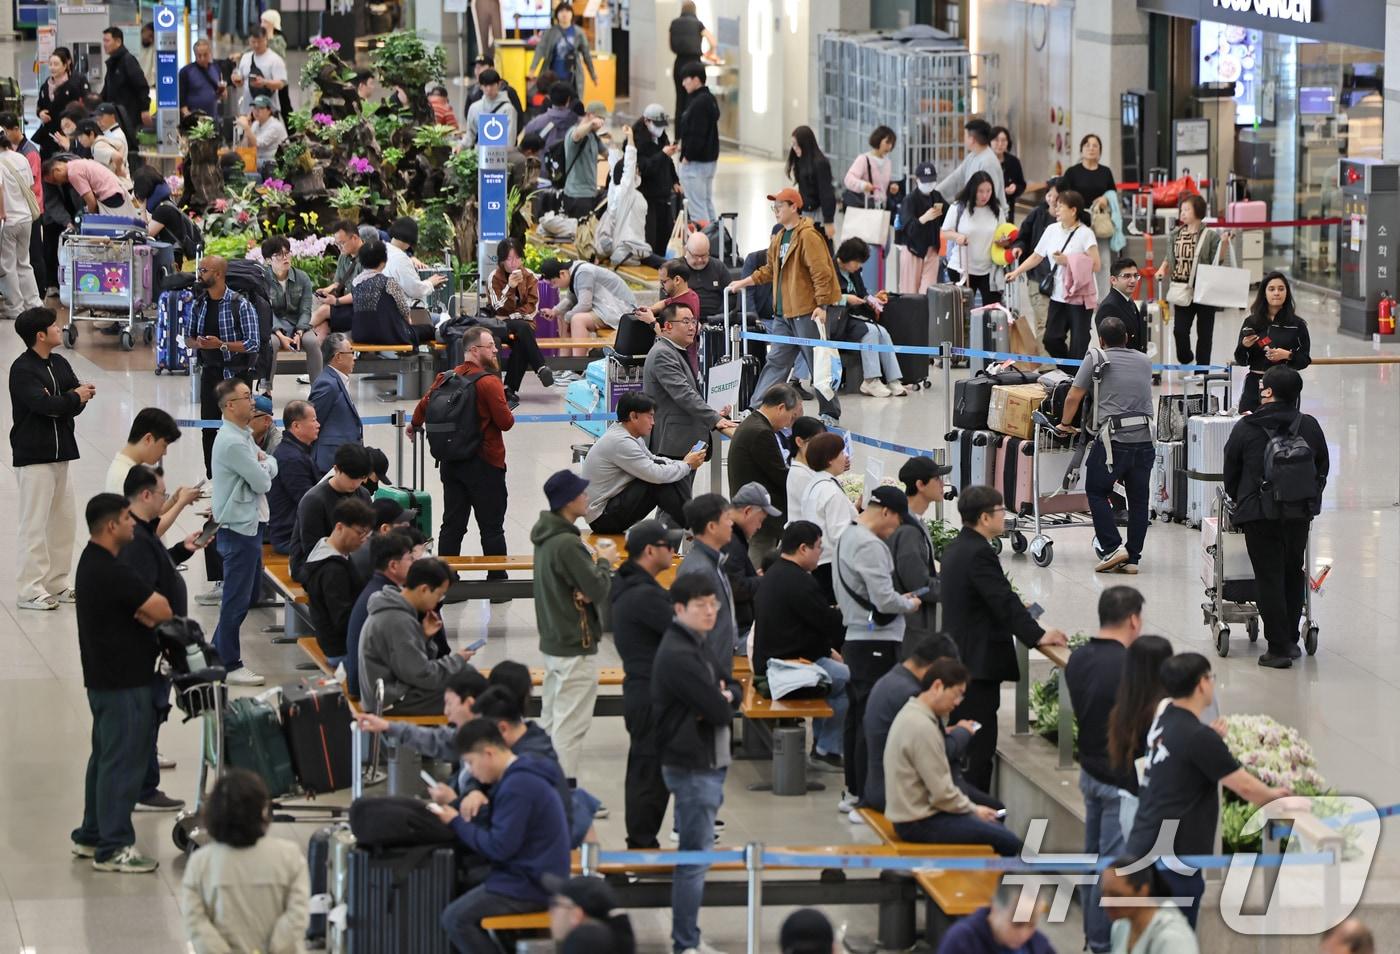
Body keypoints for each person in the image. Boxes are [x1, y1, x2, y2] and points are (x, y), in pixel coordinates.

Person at [1124, 653, 1291, 927]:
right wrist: (1274, 798)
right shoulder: (1198, 737)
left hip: (1143, 847)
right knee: (1174, 938)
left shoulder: (1164, 721)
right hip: (1174, 862)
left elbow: (1186, 752)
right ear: (1202, 684)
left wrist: (1211, 738)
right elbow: (1244, 786)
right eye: (1211, 678)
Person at [940, 485, 1068, 791]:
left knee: (965, 740)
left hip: (961, 655)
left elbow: (984, 597)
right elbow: (1003, 602)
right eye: (1000, 511)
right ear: (985, 517)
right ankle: (974, 813)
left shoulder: (957, 547)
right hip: (978, 664)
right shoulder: (980, 552)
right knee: (977, 746)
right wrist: (1038, 635)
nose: (1004, 517)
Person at [71, 492, 173, 873]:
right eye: (128, 519)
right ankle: (113, 846)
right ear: (111, 525)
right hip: (124, 681)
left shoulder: (91, 561)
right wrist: (149, 612)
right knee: (123, 763)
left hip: (103, 677)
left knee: (104, 758)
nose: (134, 523)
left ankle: (91, 833)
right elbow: (160, 608)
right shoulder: (113, 571)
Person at [652, 573, 741, 954]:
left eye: (713, 604)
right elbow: (719, 709)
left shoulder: (697, 643)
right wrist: (721, 700)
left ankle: (688, 937)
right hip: (692, 765)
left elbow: (732, 687)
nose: (709, 611)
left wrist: (723, 698)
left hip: (708, 759)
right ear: (678, 609)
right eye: (701, 605)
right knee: (694, 859)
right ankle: (684, 942)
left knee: (698, 854)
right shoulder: (678, 653)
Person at [433, 719, 571, 953]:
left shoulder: (518, 785)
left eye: (471, 763)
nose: (472, 772)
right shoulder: (521, 773)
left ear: (488, 753)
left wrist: (456, 821)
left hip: (532, 883)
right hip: (535, 871)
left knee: (454, 918)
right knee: (458, 883)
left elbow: (498, 847)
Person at [1223, 365, 1329, 668]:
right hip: (1298, 512)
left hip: (1259, 513)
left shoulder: (1246, 427)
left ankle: (1278, 648)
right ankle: (1291, 640)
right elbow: (1322, 467)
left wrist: (1241, 499)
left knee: (1268, 577)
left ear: (1267, 391)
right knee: (1293, 571)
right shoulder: (1308, 425)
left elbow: (1231, 471)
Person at [1065, 586, 1145, 953]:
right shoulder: (1130, 667)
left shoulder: (1078, 658)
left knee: (1091, 860)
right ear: (1132, 619)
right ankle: (1102, 945)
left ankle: (1091, 938)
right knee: (1112, 869)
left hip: (1090, 773)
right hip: (1120, 781)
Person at [833, 485, 922, 800]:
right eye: (897, 521)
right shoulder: (870, 545)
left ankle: (854, 791)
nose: (896, 529)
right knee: (873, 720)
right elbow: (884, 600)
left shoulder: (846, 535)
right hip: (875, 643)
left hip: (856, 638)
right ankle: (868, 796)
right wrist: (908, 603)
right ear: (886, 512)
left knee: (856, 718)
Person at [121, 463, 201, 810]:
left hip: (158, 644)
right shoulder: (136, 538)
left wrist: (183, 549)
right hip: (149, 646)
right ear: (145, 495)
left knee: (153, 713)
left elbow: (158, 569)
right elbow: (139, 595)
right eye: (163, 495)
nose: (166, 501)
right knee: (146, 716)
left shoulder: (144, 533)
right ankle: (143, 788)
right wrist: (167, 630)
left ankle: (145, 782)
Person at [884, 658, 1020, 855]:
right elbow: (942, 793)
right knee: (1008, 840)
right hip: (919, 820)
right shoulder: (922, 727)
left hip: (914, 813)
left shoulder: (913, 713)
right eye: (956, 695)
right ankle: (985, 885)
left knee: (995, 821)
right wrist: (974, 810)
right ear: (938, 686)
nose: (957, 703)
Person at [727, 187, 844, 418]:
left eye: (780, 206)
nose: (776, 211)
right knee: (776, 361)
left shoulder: (808, 236)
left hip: (807, 312)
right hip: (783, 314)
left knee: (818, 364)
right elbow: (770, 270)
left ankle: (830, 412)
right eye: (774, 206)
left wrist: (821, 306)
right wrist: (744, 282)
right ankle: (757, 409)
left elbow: (821, 273)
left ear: (794, 207)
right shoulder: (780, 236)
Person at [533, 470, 617, 781]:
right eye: (582, 493)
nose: (587, 497)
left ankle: (542, 784)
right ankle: (563, 794)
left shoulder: (546, 537)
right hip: (573, 642)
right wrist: (604, 562)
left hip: (555, 640)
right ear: (568, 501)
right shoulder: (567, 544)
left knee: (553, 719)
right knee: (571, 726)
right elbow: (596, 590)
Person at [410, 326, 515, 569]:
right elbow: (505, 423)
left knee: (453, 525)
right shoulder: (489, 382)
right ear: (475, 350)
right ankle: (498, 583)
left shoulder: (445, 378)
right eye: (491, 346)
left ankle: (448, 582)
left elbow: (423, 407)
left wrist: (413, 425)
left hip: (451, 463)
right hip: (485, 464)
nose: (495, 350)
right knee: (491, 528)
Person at [1058, 317, 1155, 573]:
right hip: (1145, 439)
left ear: (1101, 340)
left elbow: (1073, 396)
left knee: (1096, 491)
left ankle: (1112, 548)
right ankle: (1133, 558)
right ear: (1127, 338)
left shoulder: (1096, 357)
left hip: (1113, 440)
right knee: (1138, 501)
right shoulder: (1145, 360)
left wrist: (1065, 424)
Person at [10, 306, 89, 610]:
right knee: (34, 524)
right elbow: (43, 405)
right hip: (34, 456)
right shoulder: (23, 369)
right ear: (40, 335)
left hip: (62, 453)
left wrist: (69, 400)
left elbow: (72, 397)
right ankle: (30, 589)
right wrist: (70, 399)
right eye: (54, 326)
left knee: (63, 522)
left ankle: (57, 582)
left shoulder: (58, 362)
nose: (60, 329)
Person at [611, 519, 684, 849]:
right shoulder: (643, 596)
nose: (673, 550)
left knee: (647, 769)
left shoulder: (633, 587)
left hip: (645, 690)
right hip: (650, 694)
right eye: (668, 545)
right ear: (649, 551)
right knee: (648, 773)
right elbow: (684, 633)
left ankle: (642, 840)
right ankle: (641, 845)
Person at [752, 519, 848, 769]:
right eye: (818, 547)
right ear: (803, 548)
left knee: (837, 673)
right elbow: (826, 622)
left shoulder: (775, 573)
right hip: (786, 667)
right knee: (848, 679)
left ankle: (824, 744)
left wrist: (827, 649)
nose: (821, 552)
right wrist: (844, 614)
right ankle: (827, 749)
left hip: (773, 660)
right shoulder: (799, 581)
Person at [179, 769, 310, 952]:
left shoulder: (200, 863)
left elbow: (195, 922)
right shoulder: (290, 857)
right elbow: (297, 915)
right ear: (263, 813)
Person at [210, 379, 277, 686]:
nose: (253, 402)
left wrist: (265, 465)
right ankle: (229, 663)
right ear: (230, 406)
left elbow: (268, 466)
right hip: (238, 528)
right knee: (237, 600)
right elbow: (264, 481)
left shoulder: (243, 435)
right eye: (247, 397)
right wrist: (264, 466)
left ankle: (213, 653)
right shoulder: (234, 442)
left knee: (245, 595)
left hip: (249, 523)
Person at [860, 633, 958, 815]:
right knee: (995, 816)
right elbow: (941, 750)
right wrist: (963, 734)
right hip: (901, 796)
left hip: (882, 786)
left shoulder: (891, 679)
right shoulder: (910, 694)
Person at [359, 557, 470, 713]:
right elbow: (423, 674)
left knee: (466, 680)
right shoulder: (398, 620)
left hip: (390, 692)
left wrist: (423, 636)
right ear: (424, 589)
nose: (439, 601)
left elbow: (407, 662)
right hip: (389, 702)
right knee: (467, 691)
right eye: (439, 595)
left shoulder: (394, 607)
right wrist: (457, 660)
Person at [582, 392, 704, 533]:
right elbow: (655, 475)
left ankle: (693, 525)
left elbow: (652, 459)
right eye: (650, 416)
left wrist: (683, 462)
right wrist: (687, 465)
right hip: (602, 519)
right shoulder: (620, 441)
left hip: (610, 508)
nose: (653, 422)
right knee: (657, 481)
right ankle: (695, 527)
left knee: (669, 470)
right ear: (633, 416)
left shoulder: (627, 434)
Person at [1006, 189, 1100, 359]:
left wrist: (1068, 260)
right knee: (1050, 339)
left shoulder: (1086, 233)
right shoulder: (1051, 230)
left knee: (1079, 344)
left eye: (1061, 206)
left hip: (1080, 297)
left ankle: (1075, 381)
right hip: (1058, 296)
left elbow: (1096, 264)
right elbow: (1036, 256)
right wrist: (1016, 272)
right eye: (1056, 206)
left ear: (1073, 210)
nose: (1056, 210)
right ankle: (1070, 374)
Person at [354, 664, 486, 779]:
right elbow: (434, 739)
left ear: (469, 703)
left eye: (450, 704)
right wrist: (387, 726)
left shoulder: (484, 746)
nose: (446, 712)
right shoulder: (467, 736)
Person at [643, 303, 737, 461]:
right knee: (673, 486)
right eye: (686, 322)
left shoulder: (675, 351)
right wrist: (715, 419)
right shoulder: (663, 354)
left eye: (694, 322)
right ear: (667, 326)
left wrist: (714, 412)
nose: (692, 327)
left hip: (682, 442)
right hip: (671, 443)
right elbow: (683, 394)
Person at [345, 528, 421, 698]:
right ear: (393, 566)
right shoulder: (386, 600)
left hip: (364, 681)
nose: (414, 563)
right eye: (410, 558)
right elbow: (410, 662)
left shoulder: (378, 589)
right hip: (376, 692)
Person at [727, 384, 800, 556]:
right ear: (781, 408)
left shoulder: (752, 423)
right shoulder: (761, 433)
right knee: (758, 568)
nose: (789, 425)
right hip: (762, 519)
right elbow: (781, 476)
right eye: (791, 417)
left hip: (753, 510)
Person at [833, 237, 911, 396]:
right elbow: (823, 297)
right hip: (839, 320)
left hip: (855, 317)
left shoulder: (854, 272)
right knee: (871, 332)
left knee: (882, 331)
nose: (859, 266)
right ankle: (870, 380)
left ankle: (893, 379)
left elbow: (862, 292)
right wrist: (845, 299)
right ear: (847, 258)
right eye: (857, 262)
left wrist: (872, 299)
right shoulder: (829, 270)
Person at [302, 497, 375, 664]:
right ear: (340, 527)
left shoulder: (323, 550)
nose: (363, 539)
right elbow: (343, 620)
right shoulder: (332, 570)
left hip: (338, 644)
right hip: (342, 650)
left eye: (367, 535)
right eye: (360, 533)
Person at [891, 456, 951, 658]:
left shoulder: (914, 521)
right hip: (911, 627)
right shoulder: (908, 529)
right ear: (920, 485)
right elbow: (919, 585)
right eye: (937, 479)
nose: (943, 484)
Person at [287, 442, 372, 582]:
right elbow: (312, 549)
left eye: (361, 478)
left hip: (348, 557)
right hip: (312, 564)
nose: (356, 484)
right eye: (351, 477)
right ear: (336, 469)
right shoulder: (314, 500)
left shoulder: (363, 495)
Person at [105, 407, 198, 536]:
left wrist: (174, 500)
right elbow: (145, 529)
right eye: (164, 445)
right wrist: (181, 503)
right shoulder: (124, 475)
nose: (164, 453)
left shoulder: (129, 468)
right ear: (148, 439)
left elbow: (147, 513)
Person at [675, 493, 739, 673]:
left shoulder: (713, 562)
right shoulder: (700, 570)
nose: (732, 523)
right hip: (707, 671)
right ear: (712, 526)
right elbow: (692, 632)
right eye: (727, 518)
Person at [486, 238, 556, 399]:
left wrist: (511, 316)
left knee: (521, 339)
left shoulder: (530, 276)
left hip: (521, 324)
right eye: (509, 259)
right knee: (523, 329)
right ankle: (540, 367)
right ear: (502, 259)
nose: (513, 263)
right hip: (500, 325)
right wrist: (509, 287)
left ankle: (509, 389)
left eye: (517, 258)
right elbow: (496, 307)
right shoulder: (494, 277)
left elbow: (532, 308)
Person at [1235, 271, 1312, 413]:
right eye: (1271, 289)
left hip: (1284, 386)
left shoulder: (1297, 324)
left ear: (1287, 293)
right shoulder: (1251, 322)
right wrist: (1244, 346)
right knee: (1249, 428)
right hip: (1254, 384)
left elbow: (1305, 359)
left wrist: (1287, 355)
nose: (1276, 293)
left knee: (1282, 430)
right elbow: (1241, 360)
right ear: (1264, 293)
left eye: (1281, 289)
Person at [792, 432, 856, 602]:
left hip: (817, 562)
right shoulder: (831, 491)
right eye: (842, 453)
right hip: (830, 565)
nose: (846, 457)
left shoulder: (815, 484)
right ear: (830, 460)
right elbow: (840, 534)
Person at [539, 258, 638, 358]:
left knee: (577, 319)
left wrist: (566, 317)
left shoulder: (583, 272)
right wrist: (554, 311)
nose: (554, 287)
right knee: (564, 314)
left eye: (554, 283)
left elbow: (585, 304)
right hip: (606, 309)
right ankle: (564, 363)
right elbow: (571, 298)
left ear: (562, 273)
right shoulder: (573, 272)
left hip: (620, 310)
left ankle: (577, 366)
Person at [256, 236, 319, 387]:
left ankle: (318, 388)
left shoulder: (302, 277)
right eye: (279, 255)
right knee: (271, 343)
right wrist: (279, 333)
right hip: (272, 325)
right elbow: (265, 311)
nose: (285, 258)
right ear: (268, 260)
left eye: (287, 253)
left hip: (297, 324)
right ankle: (266, 389)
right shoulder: (261, 279)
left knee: (313, 342)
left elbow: (305, 309)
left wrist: (299, 332)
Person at [1098, 863, 1200, 954]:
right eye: (1104, 894)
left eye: (1116, 895)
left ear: (1143, 890)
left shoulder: (1174, 939)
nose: (1106, 902)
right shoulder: (1120, 926)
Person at [941, 170, 1005, 307]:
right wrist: (957, 236)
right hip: (962, 269)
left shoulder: (996, 209)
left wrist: (1004, 241)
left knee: (991, 313)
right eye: (980, 191)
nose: (985, 195)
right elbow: (944, 232)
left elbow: (1002, 232)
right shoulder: (958, 207)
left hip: (989, 270)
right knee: (963, 314)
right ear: (973, 190)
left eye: (989, 191)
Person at [351, 240, 434, 346]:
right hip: (388, 335)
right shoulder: (388, 282)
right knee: (429, 330)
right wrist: (408, 323)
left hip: (360, 335)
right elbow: (404, 309)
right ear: (384, 260)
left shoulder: (355, 283)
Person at [936, 881, 1055, 953]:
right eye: (1016, 924)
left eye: (1031, 925)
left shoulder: (1038, 944)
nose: (1023, 935)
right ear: (995, 909)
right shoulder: (961, 942)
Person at [264, 401, 320, 553]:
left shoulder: (295, 451)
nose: (318, 424)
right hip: (291, 538)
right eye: (313, 420)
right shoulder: (291, 458)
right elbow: (307, 500)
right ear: (296, 426)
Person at [723, 484, 774, 651]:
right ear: (747, 512)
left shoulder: (733, 537)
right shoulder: (731, 541)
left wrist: (754, 579)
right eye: (760, 520)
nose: (759, 527)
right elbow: (735, 587)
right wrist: (761, 581)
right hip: (738, 634)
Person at [307, 332, 363, 473]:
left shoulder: (337, 380)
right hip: (330, 462)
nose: (354, 358)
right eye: (351, 352)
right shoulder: (327, 384)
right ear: (338, 357)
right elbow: (311, 421)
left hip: (343, 461)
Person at [0, 133, 42, 320]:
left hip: (8, 220)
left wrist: (2, 214)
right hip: (26, 218)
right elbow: (30, 185)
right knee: (24, 263)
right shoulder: (21, 158)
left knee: (8, 265)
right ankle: (33, 303)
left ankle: (15, 307)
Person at [1013, 178, 1060, 342]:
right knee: (1043, 323)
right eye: (1049, 194)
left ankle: (1063, 365)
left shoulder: (1073, 221)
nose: (1052, 199)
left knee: (1060, 326)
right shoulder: (1037, 214)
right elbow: (1023, 236)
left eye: (1056, 195)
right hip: (1038, 277)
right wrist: (1018, 247)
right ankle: (1047, 367)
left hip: (1064, 281)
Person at [676, 62, 721, 225]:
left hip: (696, 163)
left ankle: (703, 246)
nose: (683, 83)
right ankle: (716, 242)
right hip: (709, 161)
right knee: (706, 203)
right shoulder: (709, 99)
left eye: (685, 79)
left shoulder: (698, 103)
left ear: (696, 80)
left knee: (697, 208)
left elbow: (698, 133)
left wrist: (687, 155)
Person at [634, 103, 682, 258]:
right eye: (656, 125)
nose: (660, 129)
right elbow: (643, 168)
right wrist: (662, 154)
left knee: (666, 234)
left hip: (663, 195)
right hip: (647, 196)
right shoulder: (637, 140)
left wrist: (675, 180)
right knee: (651, 238)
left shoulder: (662, 137)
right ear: (646, 121)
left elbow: (668, 163)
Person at [546, 875, 637, 954]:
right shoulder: (609, 942)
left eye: (555, 904)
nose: (550, 912)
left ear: (577, 915)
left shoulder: (584, 942)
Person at [309, 221, 368, 343]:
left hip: (360, 309)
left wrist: (335, 301)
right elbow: (338, 283)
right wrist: (326, 290)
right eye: (338, 244)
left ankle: (297, 333)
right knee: (321, 327)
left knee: (323, 311)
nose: (340, 247)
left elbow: (361, 293)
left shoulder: (368, 257)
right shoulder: (343, 256)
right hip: (343, 305)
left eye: (342, 243)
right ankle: (321, 360)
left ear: (355, 238)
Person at [529, 2, 598, 100]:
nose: (564, 14)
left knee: (572, 104)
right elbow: (540, 49)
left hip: (573, 76)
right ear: (557, 14)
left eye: (567, 11)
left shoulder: (578, 32)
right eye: (561, 11)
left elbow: (586, 54)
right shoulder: (550, 32)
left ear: (572, 14)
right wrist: (533, 68)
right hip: (552, 78)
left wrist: (593, 75)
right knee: (552, 104)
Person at [897, 161, 946, 295]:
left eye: (931, 181)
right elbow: (908, 228)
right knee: (910, 294)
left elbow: (947, 216)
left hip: (932, 251)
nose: (928, 184)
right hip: (913, 250)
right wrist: (924, 218)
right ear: (917, 180)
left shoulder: (936, 196)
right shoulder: (910, 200)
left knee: (928, 293)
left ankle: (925, 316)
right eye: (925, 181)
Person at [935, 119, 1006, 210]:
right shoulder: (972, 156)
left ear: (972, 139)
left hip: (989, 215)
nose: (963, 139)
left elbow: (989, 197)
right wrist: (935, 193)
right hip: (973, 210)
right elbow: (955, 177)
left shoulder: (988, 163)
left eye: (965, 135)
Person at [99, 27, 148, 157]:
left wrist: (145, 108)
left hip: (128, 117)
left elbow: (141, 85)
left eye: (107, 40)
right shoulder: (112, 63)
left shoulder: (127, 60)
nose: (104, 44)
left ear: (118, 41)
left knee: (128, 151)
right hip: (115, 117)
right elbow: (107, 90)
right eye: (103, 40)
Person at [788, 125, 838, 241]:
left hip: (818, 216)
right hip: (805, 214)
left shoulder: (820, 163)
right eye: (793, 144)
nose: (794, 148)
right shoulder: (801, 161)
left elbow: (826, 193)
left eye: (796, 144)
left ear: (804, 144)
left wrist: (828, 221)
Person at [37, 47, 89, 158]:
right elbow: (39, 106)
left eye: (56, 64)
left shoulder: (72, 86)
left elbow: (79, 111)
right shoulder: (45, 86)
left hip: (66, 133)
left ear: (65, 66)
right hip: (48, 134)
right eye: (50, 64)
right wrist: (40, 113)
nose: (52, 67)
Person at [669, 1, 717, 117]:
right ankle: (692, 128)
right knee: (694, 98)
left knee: (680, 98)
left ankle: (679, 133)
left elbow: (670, 45)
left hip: (679, 63)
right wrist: (708, 53)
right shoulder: (698, 24)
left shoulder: (674, 23)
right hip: (695, 64)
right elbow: (713, 42)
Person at [560, 104, 607, 219]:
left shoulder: (593, 136)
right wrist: (591, 124)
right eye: (599, 118)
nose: (601, 123)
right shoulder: (575, 132)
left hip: (590, 193)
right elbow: (577, 135)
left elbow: (607, 154)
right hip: (577, 195)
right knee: (580, 233)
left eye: (603, 120)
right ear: (590, 115)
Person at [1095, 258, 1149, 353]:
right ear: (1113, 280)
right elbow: (1111, 348)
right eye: (1127, 276)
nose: (1133, 280)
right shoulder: (1109, 307)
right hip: (1122, 364)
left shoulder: (1128, 300)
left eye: (1135, 276)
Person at [42, 156, 131, 213]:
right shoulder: (76, 163)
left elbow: (91, 202)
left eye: (55, 180)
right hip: (117, 191)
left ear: (58, 170)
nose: (59, 183)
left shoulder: (73, 173)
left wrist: (90, 221)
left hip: (110, 196)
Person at [231, 29, 288, 117]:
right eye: (253, 42)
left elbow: (281, 84)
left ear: (266, 40)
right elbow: (242, 81)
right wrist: (237, 81)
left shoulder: (275, 60)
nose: (256, 45)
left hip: (268, 113)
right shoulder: (246, 57)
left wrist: (265, 82)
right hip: (247, 112)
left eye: (259, 42)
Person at [843, 125, 898, 211]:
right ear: (878, 140)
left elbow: (882, 185)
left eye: (892, 143)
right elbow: (848, 179)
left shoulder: (888, 162)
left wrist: (891, 187)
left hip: (881, 208)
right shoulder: (864, 159)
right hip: (864, 207)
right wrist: (862, 185)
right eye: (887, 142)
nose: (889, 146)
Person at [784, 416, 828, 520]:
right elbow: (823, 512)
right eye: (817, 442)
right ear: (799, 441)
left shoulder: (803, 466)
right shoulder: (802, 476)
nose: (821, 448)